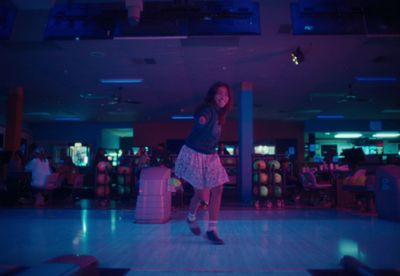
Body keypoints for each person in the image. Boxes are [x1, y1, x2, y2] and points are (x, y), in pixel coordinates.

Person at [174, 82, 232, 245]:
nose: (223, 96)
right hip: (194, 153)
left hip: (210, 155)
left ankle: (211, 230)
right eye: (219, 93)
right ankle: (191, 217)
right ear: (213, 95)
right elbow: (202, 116)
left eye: (226, 94)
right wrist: (202, 119)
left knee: (218, 188)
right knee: (201, 193)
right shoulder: (209, 110)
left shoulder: (221, 115)